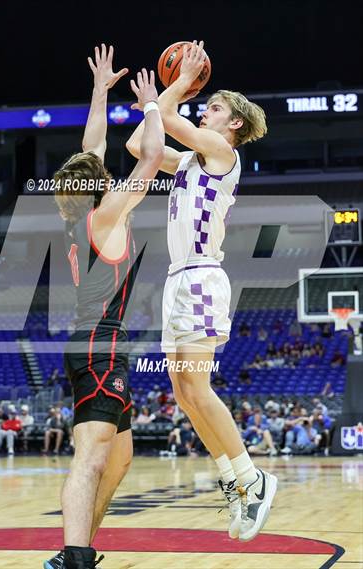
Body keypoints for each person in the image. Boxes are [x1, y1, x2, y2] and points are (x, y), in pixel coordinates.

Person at [127, 39, 276, 542]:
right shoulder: (191, 162)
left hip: (201, 278)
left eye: (212, 107)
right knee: (185, 395)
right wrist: (157, 105)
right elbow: (140, 147)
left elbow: (169, 120)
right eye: (204, 104)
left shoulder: (221, 153)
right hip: (178, 279)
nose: (203, 109)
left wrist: (175, 89)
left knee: (199, 388)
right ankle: (236, 481)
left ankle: (254, 478)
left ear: (233, 123)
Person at [45, 45, 164, 569]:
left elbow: (91, 147)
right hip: (99, 343)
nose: (110, 176)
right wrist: (152, 105)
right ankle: (74, 557)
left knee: (119, 459)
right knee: (92, 458)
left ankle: (77, 549)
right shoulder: (105, 216)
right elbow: (152, 158)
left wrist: (99, 92)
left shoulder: (81, 216)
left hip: (96, 341)